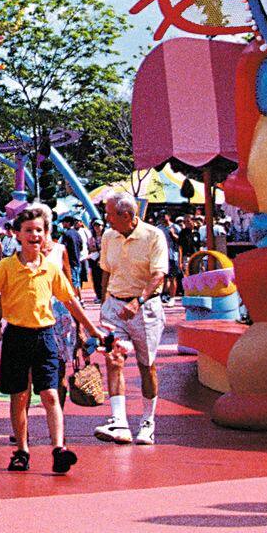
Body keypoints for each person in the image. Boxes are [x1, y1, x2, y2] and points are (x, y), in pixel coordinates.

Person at [0, 204, 102, 473]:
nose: (34, 235)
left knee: (51, 393)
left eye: (39, 230)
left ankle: (58, 449)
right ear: (17, 234)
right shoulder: (6, 266)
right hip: (17, 336)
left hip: (45, 336)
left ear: (46, 234)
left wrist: (91, 329)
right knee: (19, 397)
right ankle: (21, 450)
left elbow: (71, 301)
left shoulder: (51, 269)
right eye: (28, 230)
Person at [95, 191, 168, 445]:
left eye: (110, 214)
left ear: (126, 215)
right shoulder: (108, 237)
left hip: (145, 309)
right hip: (114, 306)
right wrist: (104, 303)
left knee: (146, 366)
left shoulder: (153, 236)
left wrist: (139, 302)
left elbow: (159, 275)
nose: (106, 219)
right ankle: (119, 422)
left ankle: (148, 422)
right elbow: (105, 270)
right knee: (113, 358)